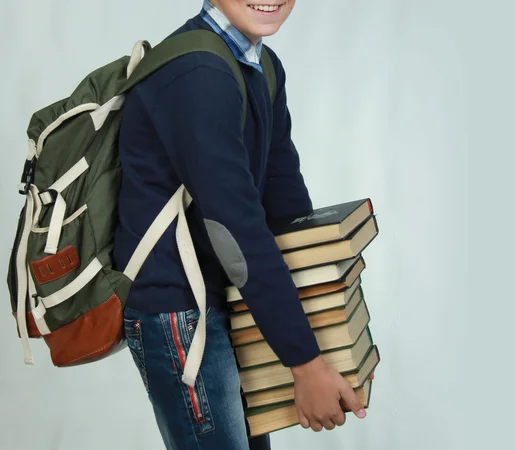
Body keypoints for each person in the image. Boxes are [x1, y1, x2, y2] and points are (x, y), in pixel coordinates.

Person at [113, 1, 374, 449]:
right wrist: (305, 362)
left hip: (229, 296)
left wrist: (319, 314)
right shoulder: (197, 72)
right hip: (178, 310)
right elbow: (235, 228)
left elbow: (284, 202)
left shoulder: (261, 65)